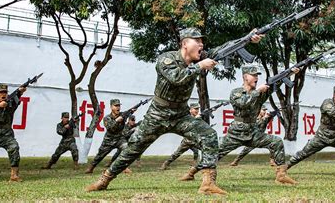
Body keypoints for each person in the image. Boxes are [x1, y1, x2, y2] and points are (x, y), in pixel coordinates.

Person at [85, 27, 262, 195]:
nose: (201, 45)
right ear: (185, 43)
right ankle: (104, 179)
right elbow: (176, 77)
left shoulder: (199, 58)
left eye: (202, 42)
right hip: (158, 114)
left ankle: (208, 183)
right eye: (197, 41)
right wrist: (200, 66)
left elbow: (223, 48)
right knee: (133, 148)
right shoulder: (166, 59)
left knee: (208, 135)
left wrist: (246, 39)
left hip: (181, 115)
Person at [179, 65, 297, 185]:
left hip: (253, 132)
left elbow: (273, 86)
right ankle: (191, 173)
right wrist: (257, 91)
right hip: (236, 133)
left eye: (257, 75)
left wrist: (288, 74)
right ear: (245, 77)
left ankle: (281, 175)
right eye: (254, 75)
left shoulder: (260, 93)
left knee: (276, 142)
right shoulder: (236, 92)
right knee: (214, 154)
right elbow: (243, 103)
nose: (256, 78)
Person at [85, 99, 133, 174]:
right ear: (111, 107)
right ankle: (91, 168)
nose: (118, 108)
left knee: (126, 149)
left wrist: (133, 110)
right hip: (109, 140)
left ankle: (125, 167)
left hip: (120, 139)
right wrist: (117, 120)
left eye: (119, 106)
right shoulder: (107, 118)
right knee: (100, 155)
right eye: (116, 106)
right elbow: (110, 128)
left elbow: (130, 113)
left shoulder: (123, 114)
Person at [160, 103, 201, 170]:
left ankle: (195, 164)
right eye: (195, 109)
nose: (197, 110)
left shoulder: (197, 117)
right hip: (187, 140)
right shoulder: (187, 117)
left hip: (195, 140)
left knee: (202, 150)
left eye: (198, 109)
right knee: (177, 153)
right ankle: (165, 164)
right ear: (190, 110)